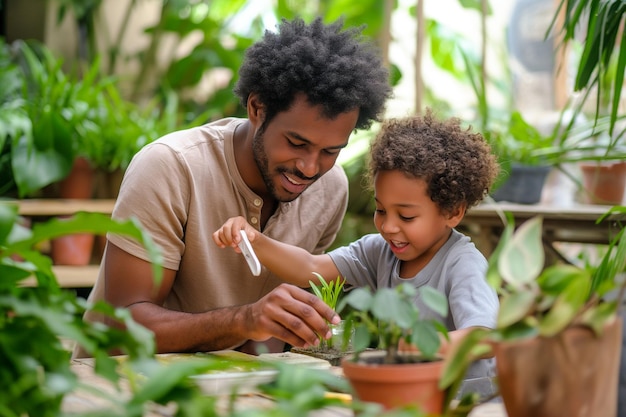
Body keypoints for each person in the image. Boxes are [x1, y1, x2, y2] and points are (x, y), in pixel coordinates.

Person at [73, 17, 392, 358]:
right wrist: (244, 320)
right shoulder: (171, 167)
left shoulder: (330, 189)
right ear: (257, 108)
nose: (310, 168)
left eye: (331, 151)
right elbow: (122, 326)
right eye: (296, 143)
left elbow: (270, 335)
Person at [214, 109, 500, 379]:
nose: (388, 226)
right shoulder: (380, 251)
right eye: (381, 210)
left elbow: (483, 337)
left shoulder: (464, 263)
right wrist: (255, 240)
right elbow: (310, 266)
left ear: (453, 212)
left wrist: (417, 345)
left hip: (465, 399)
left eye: (407, 216)